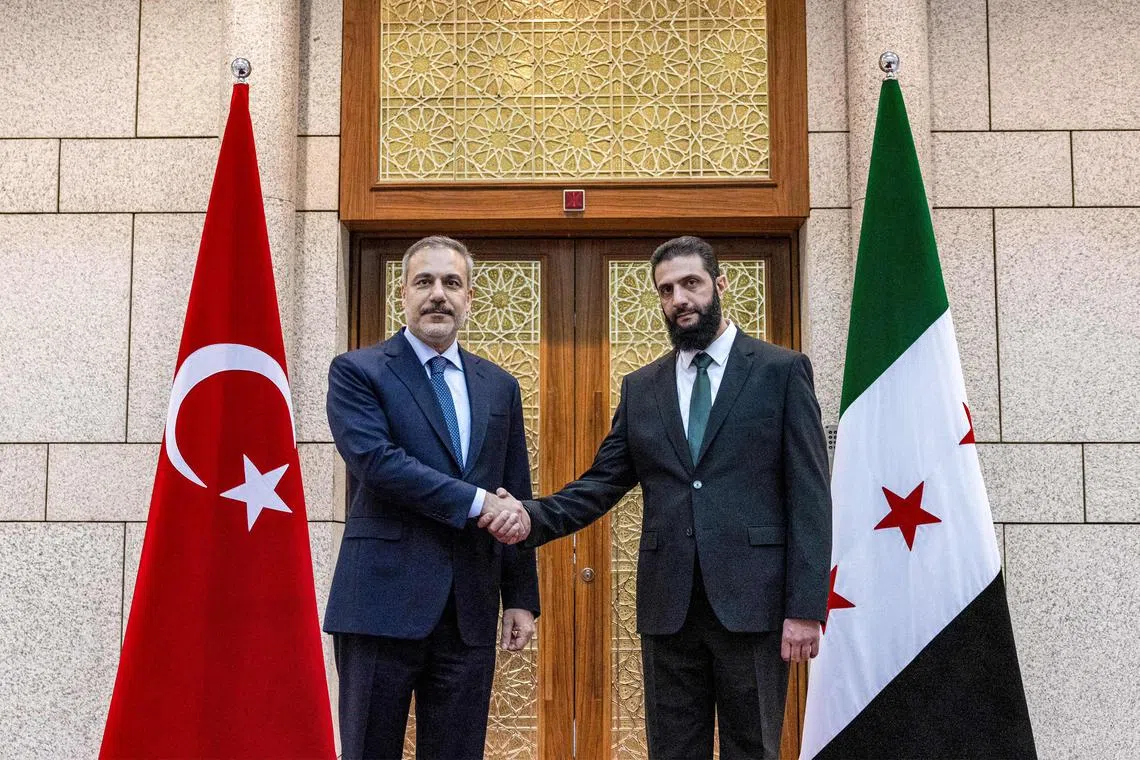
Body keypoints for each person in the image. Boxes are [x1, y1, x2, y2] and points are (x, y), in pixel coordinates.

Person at [483, 236, 832, 760]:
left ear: (720, 284)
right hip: (669, 608)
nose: (679, 299)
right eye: (666, 290)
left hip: (755, 607)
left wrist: (805, 608)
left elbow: (810, 495)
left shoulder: (780, 371)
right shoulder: (642, 387)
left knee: (753, 748)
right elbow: (600, 484)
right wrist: (531, 517)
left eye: (691, 283)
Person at [324, 235, 540, 760]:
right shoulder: (358, 371)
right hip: (379, 604)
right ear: (403, 293)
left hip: (469, 609)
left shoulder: (500, 386)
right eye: (424, 281)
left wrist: (520, 597)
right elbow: (379, 463)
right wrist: (479, 503)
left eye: (451, 283)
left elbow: (514, 490)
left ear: (469, 298)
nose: (438, 294)